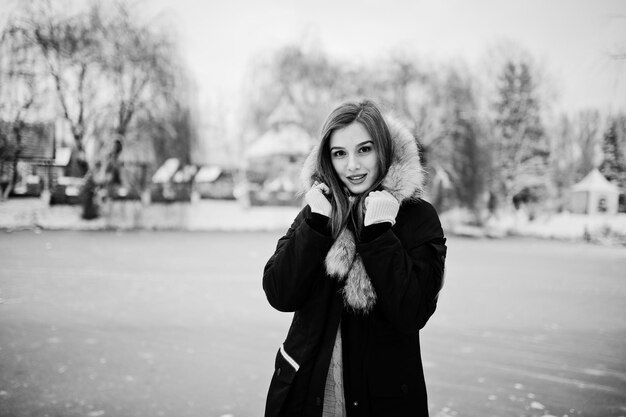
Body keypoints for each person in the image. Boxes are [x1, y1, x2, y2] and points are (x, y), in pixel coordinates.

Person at [262, 99, 447, 417]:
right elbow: (280, 293)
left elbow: (413, 312)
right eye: (340, 153)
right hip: (307, 393)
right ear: (327, 158)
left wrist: (378, 234)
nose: (352, 166)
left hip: (383, 399)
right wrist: (316, 226)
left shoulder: (417, 218)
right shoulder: (318, 211)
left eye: (364, 149)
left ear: (384, 150)